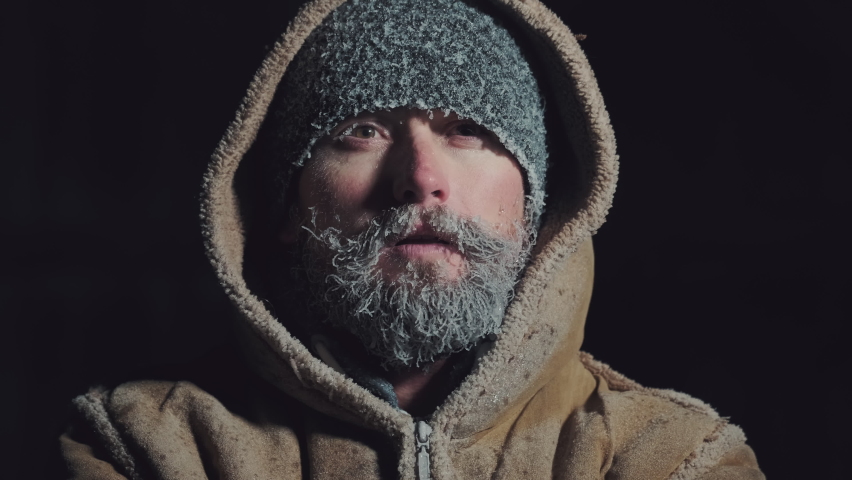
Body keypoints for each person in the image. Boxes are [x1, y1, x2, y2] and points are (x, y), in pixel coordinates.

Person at [60, 0, 765, 478]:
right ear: (283, 202)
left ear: (538, 207)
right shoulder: (145, 449)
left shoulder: (671, 460)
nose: (421, 179)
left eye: (469, 131)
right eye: (361, 132)